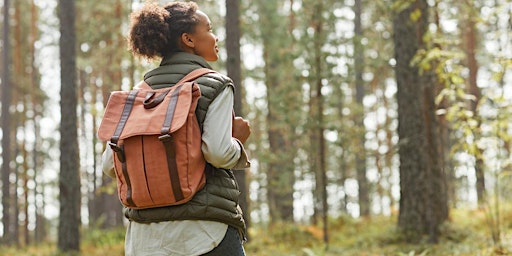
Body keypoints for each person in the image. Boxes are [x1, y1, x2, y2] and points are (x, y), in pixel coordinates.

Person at [102, 1, 251, 255]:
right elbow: (218, 152)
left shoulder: (137, 95)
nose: (215, 36)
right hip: (205, 234)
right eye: (209, 28)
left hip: (144, 238)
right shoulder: (214, 84)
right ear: (188, 40)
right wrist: (238, 141)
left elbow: (109, 165)